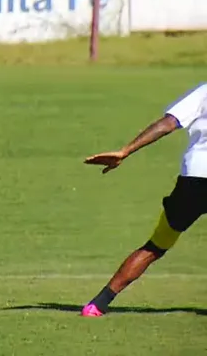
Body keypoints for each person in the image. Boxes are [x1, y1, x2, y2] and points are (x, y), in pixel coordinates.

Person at [81, 83, 207, 317]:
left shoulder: (205, 91)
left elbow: (167, 124)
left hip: (194, 179)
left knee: (156, 246)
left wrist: (126, 151)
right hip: (195, 180)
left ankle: (97, 304)